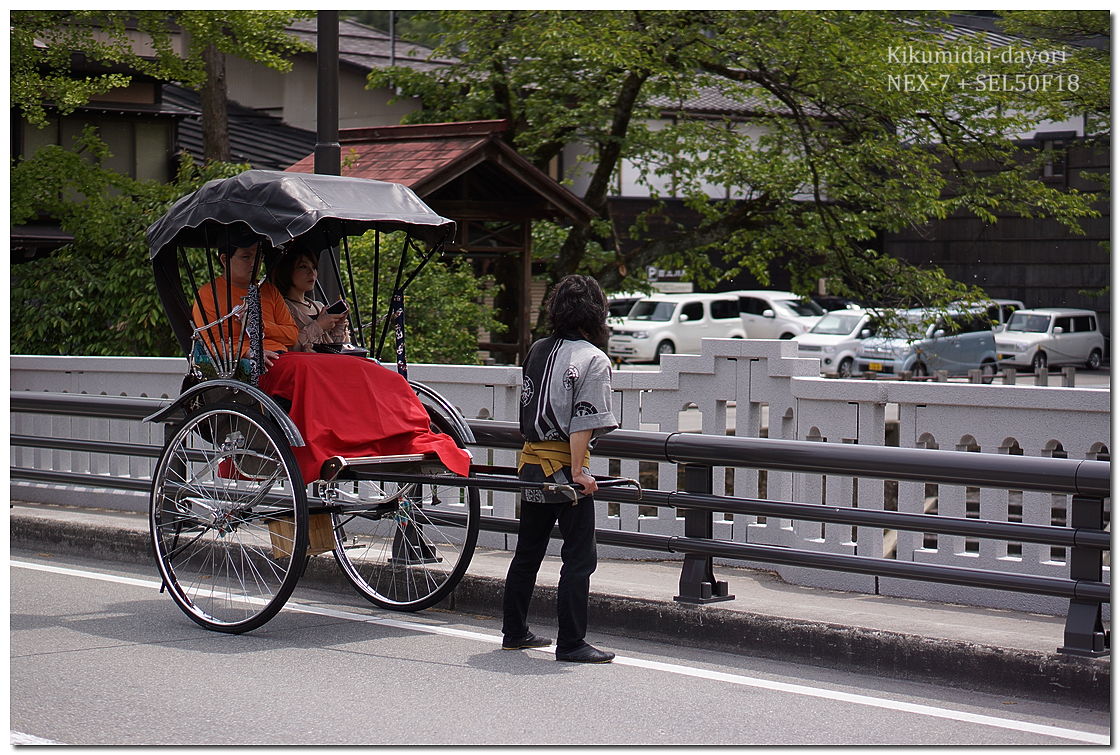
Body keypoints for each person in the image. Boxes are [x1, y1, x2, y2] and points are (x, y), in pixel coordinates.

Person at [502, 274, 619, 663]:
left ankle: (515, 631)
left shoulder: (536, 348)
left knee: (528, 552)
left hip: (531, 465)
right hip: (563, 469)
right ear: (597, 312)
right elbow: (583, 420)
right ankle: (571, 642)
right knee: (579, 558)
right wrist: (579, 472)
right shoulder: (593, 359)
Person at [191, 231, 298, 372]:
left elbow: (292, 336)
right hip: (245, 362)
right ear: (224, 260)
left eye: (258, 256)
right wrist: (249, 353)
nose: (254, 263)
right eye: (246, 257)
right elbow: (213, 345)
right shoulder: (207, 294)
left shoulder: (269, 291)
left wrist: (260, 326)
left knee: (320, 365)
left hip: (281, 356)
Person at [270, 247, 349, 351]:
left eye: (314, 267)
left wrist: (339, 325)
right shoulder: (283, 308)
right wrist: (319, 325)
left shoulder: (319, 306)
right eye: (303, 267)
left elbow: (340, 348)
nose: (312, 273)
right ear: (287, 271)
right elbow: (291, 346)